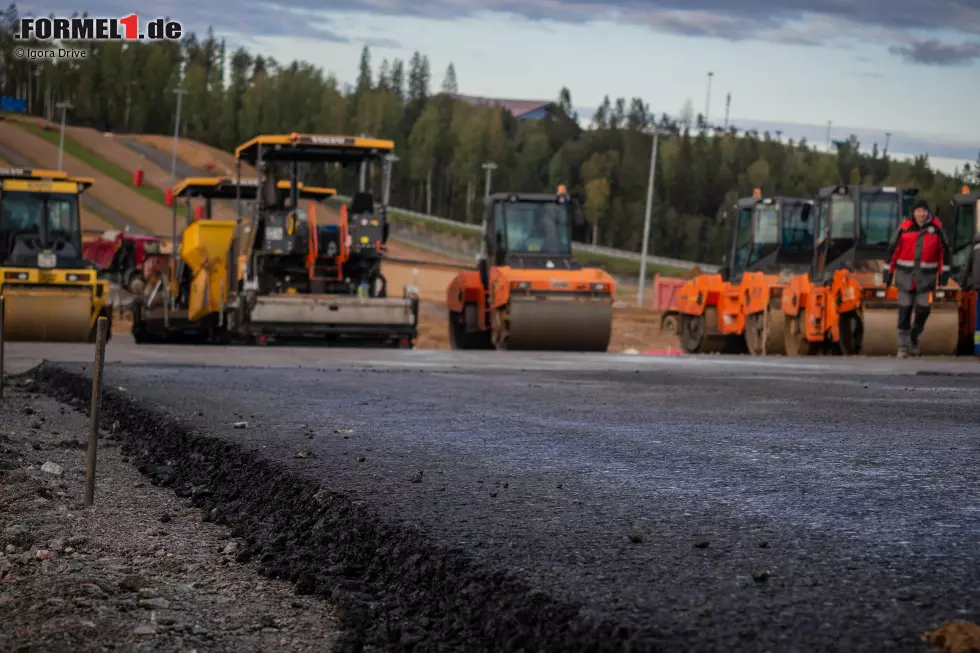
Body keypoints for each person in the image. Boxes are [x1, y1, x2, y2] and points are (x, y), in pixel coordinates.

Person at [883, 198, 951, 358]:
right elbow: (892, 252)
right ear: (914, 213)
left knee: (924, 309)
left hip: (926, 279)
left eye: (924, 211)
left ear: (928, 212)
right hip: (904, 277)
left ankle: (914, 335)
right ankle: (903, 346)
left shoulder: (937, 229)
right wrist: (887, 274)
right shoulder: (904, 229)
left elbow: (944, 252)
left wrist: (944, 274)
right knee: (904, 310)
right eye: (919, 211)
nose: (922, 214)